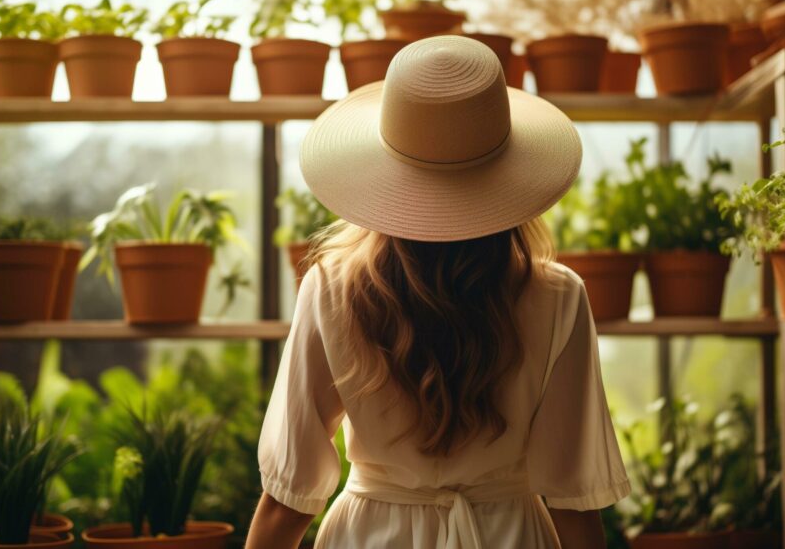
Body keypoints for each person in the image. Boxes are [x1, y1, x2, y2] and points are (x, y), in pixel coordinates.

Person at [245, 36, 629, 549]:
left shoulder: (332, 288)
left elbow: (289, 498)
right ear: (509, 173)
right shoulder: (558, 297)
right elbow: (573, 498)